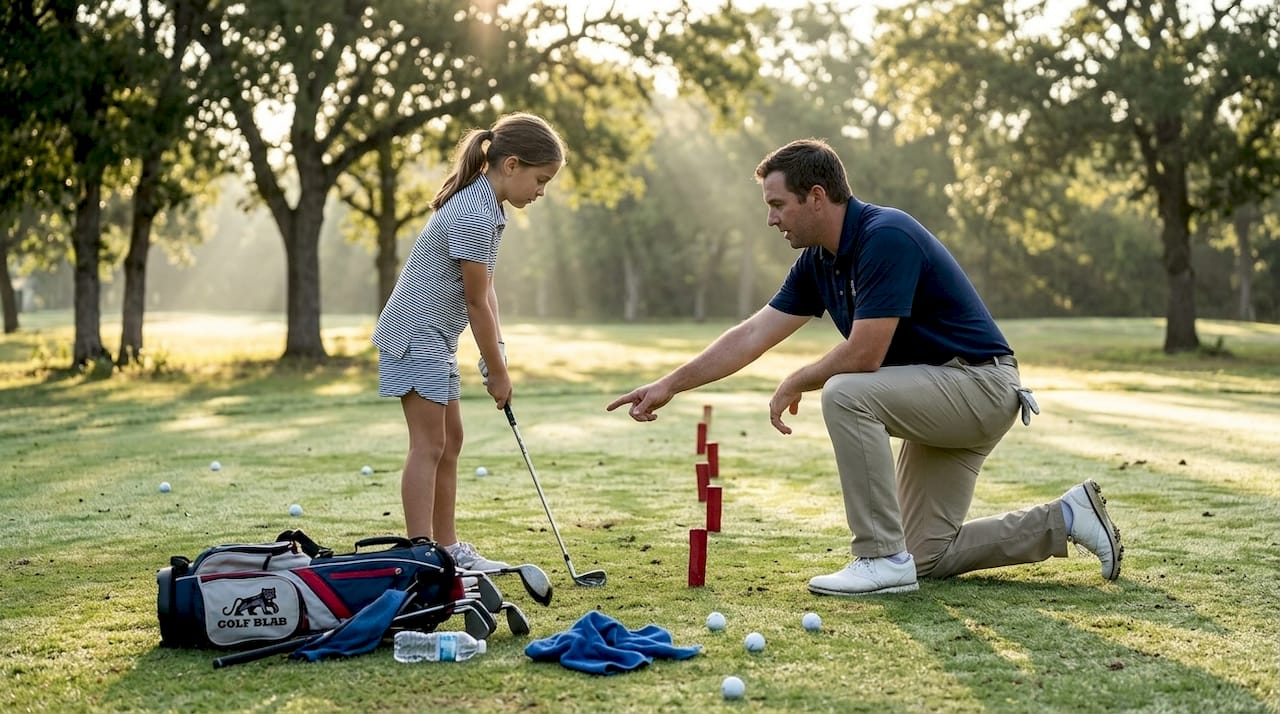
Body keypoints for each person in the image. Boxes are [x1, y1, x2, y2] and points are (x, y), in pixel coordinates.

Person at [607, 138, 1123, 596]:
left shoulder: (885, 235)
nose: (771, 219)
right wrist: (670, 384)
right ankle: (1067, 518)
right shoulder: (818, 261)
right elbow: (752, 333)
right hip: (942, 395)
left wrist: (796, 379)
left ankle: (878, 557)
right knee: (926, 557)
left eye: (777, 204)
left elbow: (865, 353)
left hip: (980, 386)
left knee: (846, 391)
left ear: (816, 196)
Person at [372, 112, 566, 572]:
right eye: (541, 180)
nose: (541, 192)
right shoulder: (475, 213)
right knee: (428, 445)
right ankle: (423, 555)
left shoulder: (487, 207)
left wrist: (496, 354)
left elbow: (487, 292)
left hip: (433, 339)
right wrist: (497, 373)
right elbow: (476, 303)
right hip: (413, 336)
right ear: (512, 165)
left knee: (450, 440)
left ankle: (448, 547)